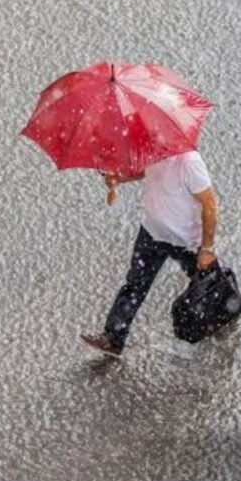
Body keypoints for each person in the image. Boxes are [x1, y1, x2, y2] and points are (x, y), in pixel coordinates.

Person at [81, 150, 218, 357]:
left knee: (207, 281)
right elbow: (150, 171)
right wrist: (120, 178)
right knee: (135, 284)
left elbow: (209, 203)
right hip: (152, 232)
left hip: (183, 239)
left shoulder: (190, 161)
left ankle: (225, 311)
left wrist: (207, 249)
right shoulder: (155, 151)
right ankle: (113, 338)